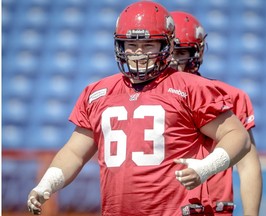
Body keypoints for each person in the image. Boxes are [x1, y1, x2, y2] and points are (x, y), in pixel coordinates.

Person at [27, 2, 251, 216]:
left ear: (167, 46)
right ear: (120, 46)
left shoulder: (191, 87)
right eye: (132, 45)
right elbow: (75, 152)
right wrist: (47, 183)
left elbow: (237, 136)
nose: (139, 53)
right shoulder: (97, 92)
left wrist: (207, 167)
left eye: (148, 45)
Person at [170, 11, 262, 216]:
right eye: (169, 52)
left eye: (181, 52)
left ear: (197, 52)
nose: (173, 61)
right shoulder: (146, 98)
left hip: (215, 208)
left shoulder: (230, 95)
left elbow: (247, 164)